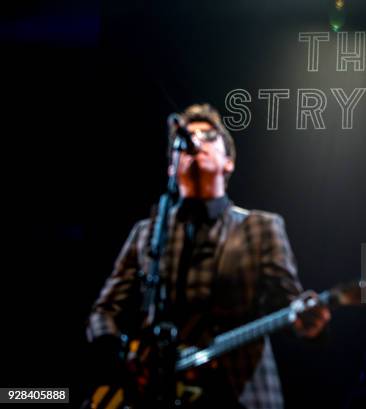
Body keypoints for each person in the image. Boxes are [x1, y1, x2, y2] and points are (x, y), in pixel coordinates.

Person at [86, 103, 330, 408]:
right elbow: (104, 310)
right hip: (157, 393)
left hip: (239, 392)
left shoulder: (260, 226)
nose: (196, 143)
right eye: (188, 138)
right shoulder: (147, 232)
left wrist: (306, 319)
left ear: (228, 162)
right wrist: (121, 357)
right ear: (171, 167)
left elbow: (287, 301)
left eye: (208, 137)